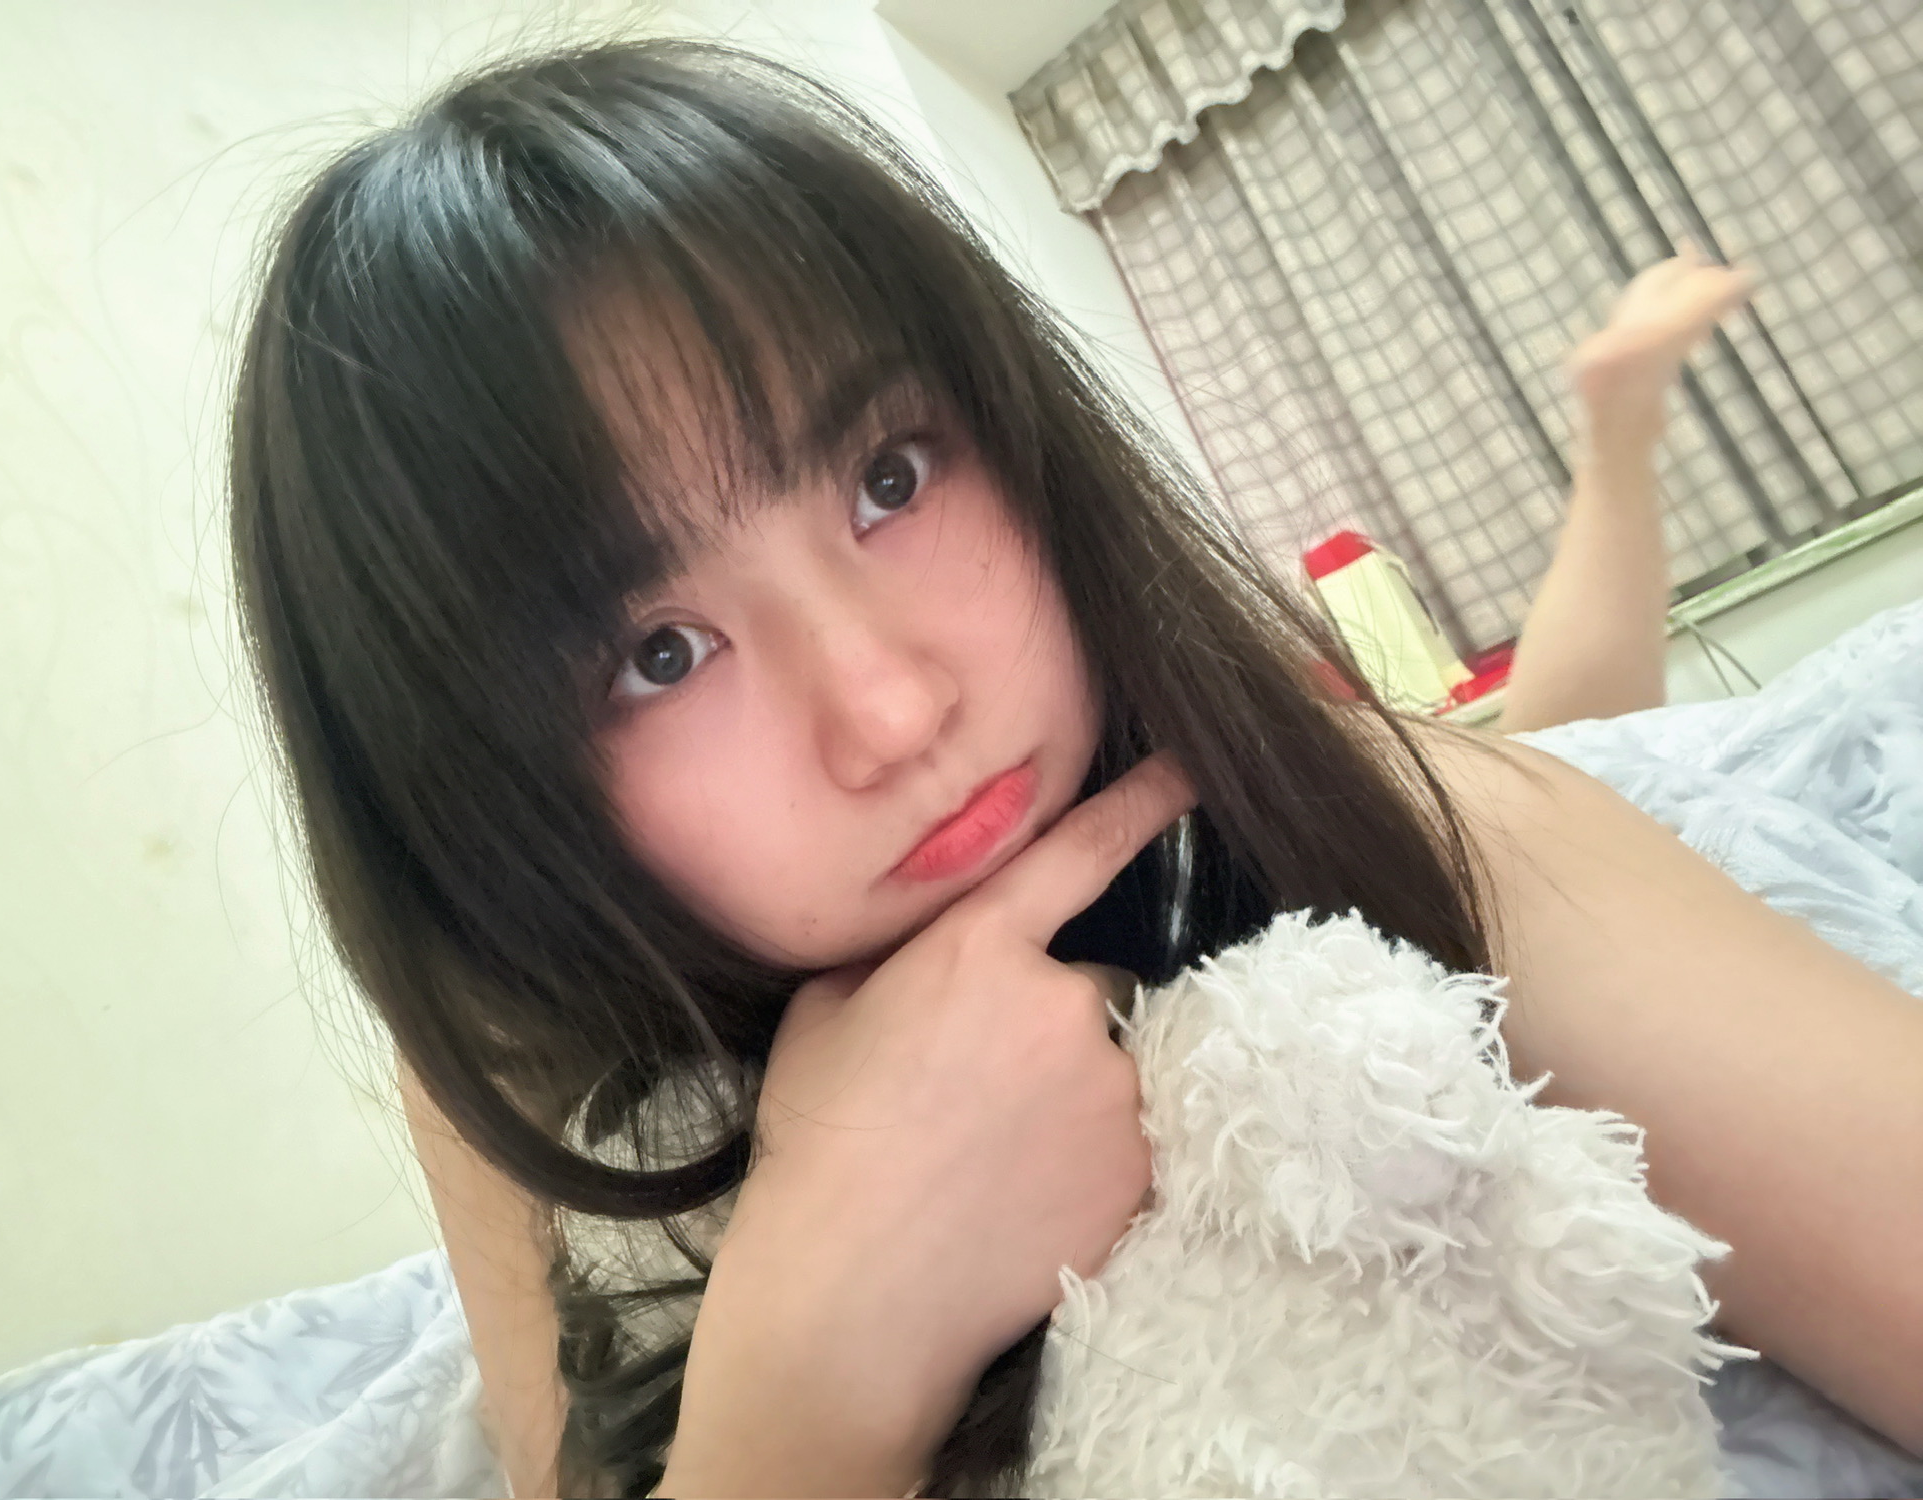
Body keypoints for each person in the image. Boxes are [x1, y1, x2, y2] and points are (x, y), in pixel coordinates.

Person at [227, 38, 1923, 1500]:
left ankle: (1615, 453)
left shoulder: (1401, 823)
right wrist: (814, 1368)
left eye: (891, 477)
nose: (894, 709)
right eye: (656, 654)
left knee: (1538, 740)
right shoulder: (513, 1075)